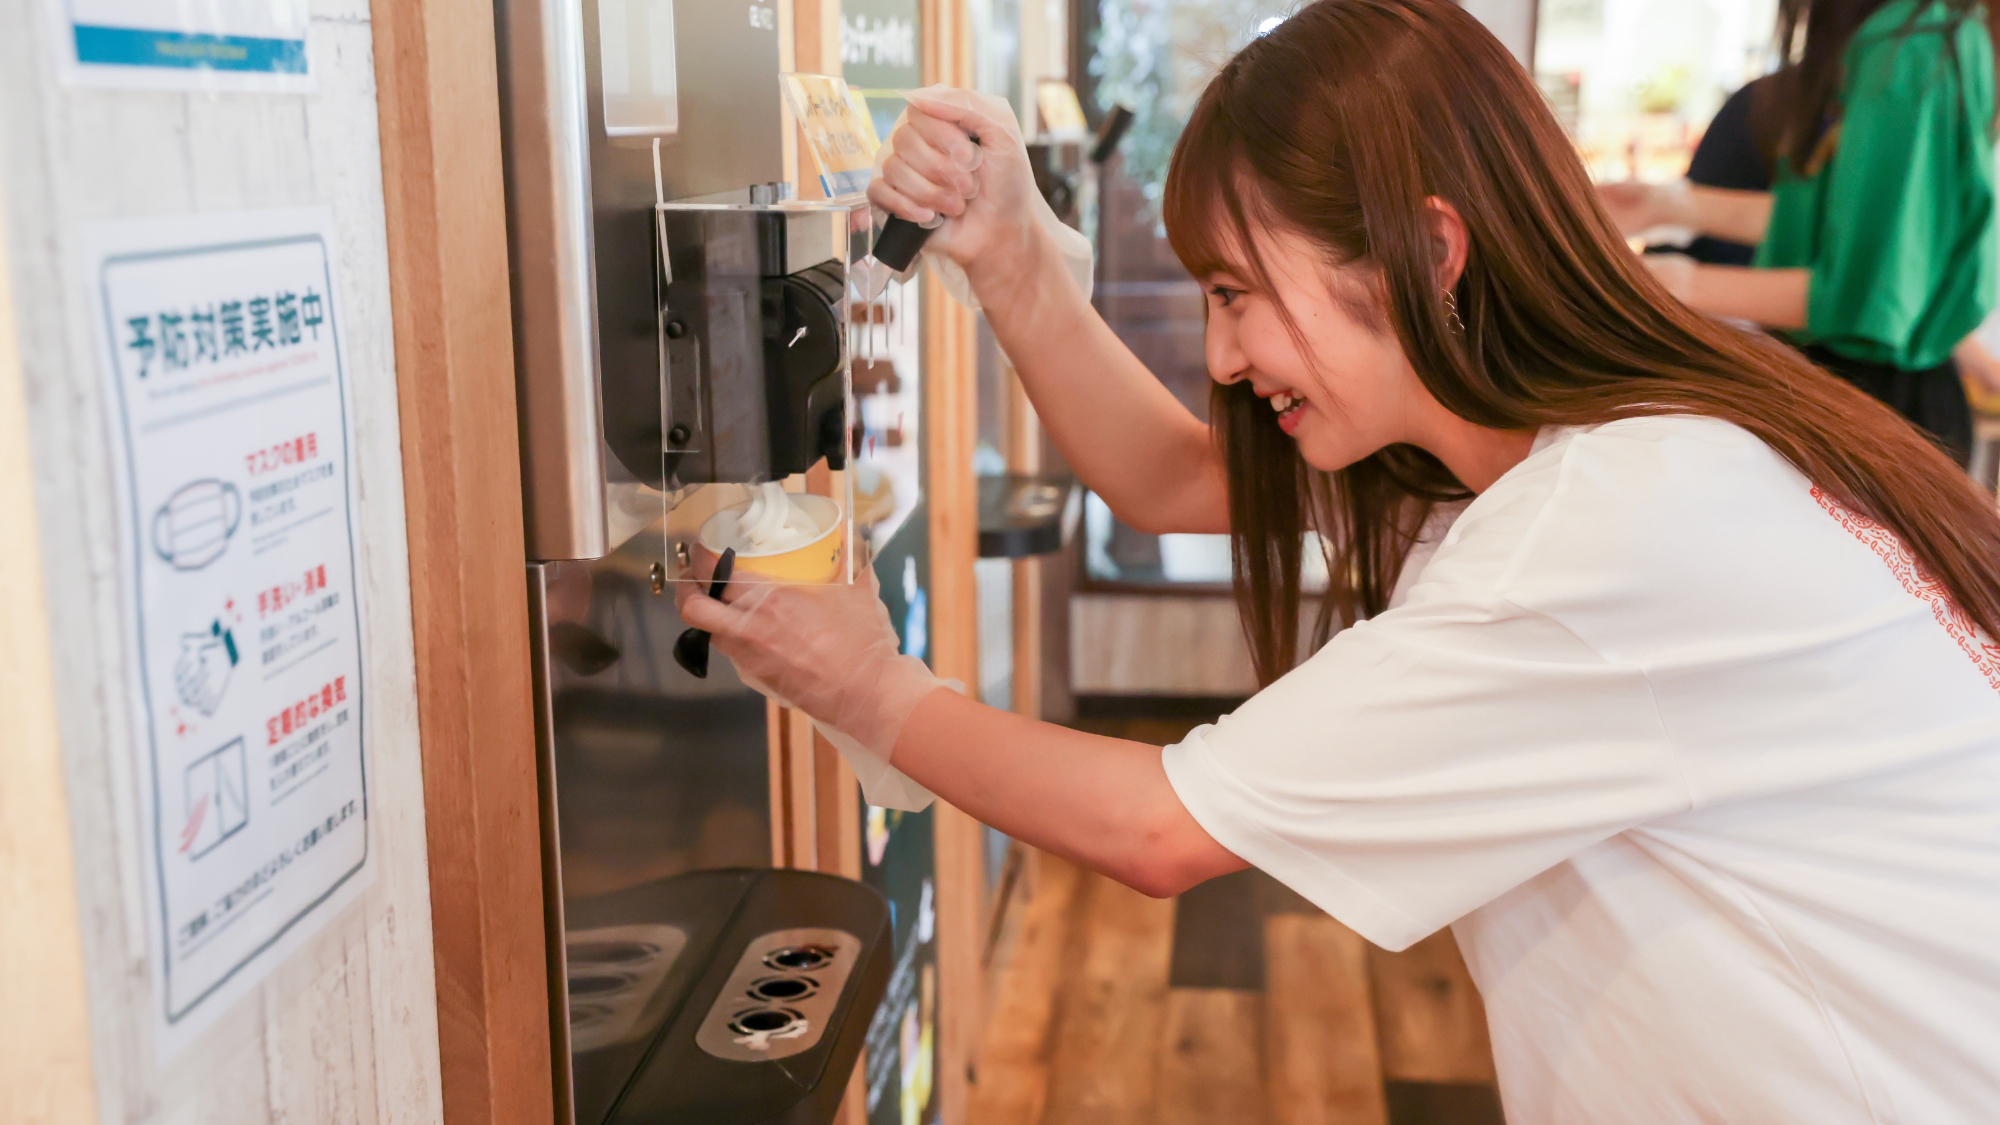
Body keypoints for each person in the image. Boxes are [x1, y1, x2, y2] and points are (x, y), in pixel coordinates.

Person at [682, 1, 2000, 1120]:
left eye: (1239, 292)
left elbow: (1158, 828)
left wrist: (867, 689)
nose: (1222, 354)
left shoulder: (1609, 519)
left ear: (1430, 249)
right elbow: (1172, 477)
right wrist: (1018, 259)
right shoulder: (1582, 443)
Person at [1600, 0, 1998, 464]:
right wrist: (1667, 206)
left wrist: (1659, 281)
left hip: (1876, 412)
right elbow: (1843, 231)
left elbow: (1865, 296)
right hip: (1864, 397)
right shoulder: (1918, 33)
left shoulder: (1911, 46)